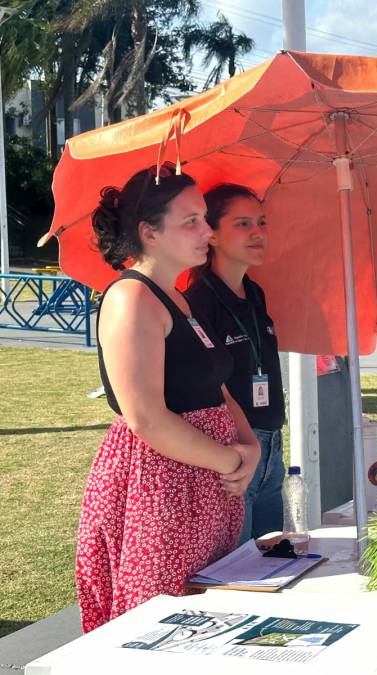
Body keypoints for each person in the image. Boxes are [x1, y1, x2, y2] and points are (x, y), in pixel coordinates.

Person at [76, 165, 260, 632]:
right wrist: (229, 460)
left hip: (204, 484)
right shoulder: (131, 299)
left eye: (205, 218)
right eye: (191, 221)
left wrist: (249, 447)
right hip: (158, 489)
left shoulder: (178, 298)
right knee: (160, 626)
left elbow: (216, 388)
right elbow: (146, 419)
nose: (207, 231)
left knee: (207, 620)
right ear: (149, 232)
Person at [185, 184, 286, 543]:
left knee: (277, 561)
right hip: (237, 451)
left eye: (261, 222)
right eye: (242, 224)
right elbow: (209, 384)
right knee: (238, 573)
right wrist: (244, 447)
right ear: (211, 234)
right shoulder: (198, 301)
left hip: (273, 443)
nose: (258, 233)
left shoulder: (255, 292)